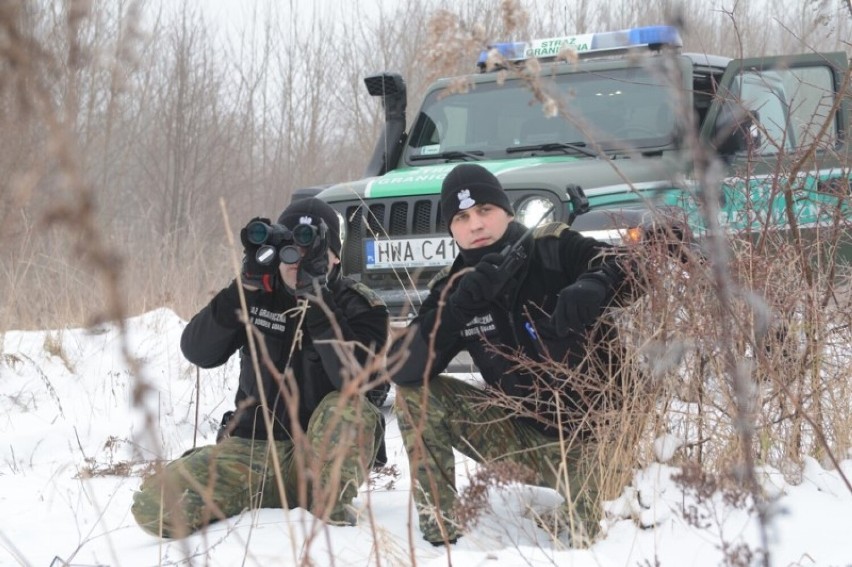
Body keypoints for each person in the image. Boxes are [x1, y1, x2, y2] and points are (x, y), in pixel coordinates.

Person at [390, 163, 637, 546]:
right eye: (461, 217)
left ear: (506, 211)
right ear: (451, 229)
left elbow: (634, 267)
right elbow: (403, 370)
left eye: (485, 210)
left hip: (602, 441)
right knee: (415, 398)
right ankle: (442, 532)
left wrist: (597, 282)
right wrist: (457, 311)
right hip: (523, 441)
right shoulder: (453, 287)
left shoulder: (553, 248)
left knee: (593, 536)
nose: (475, 225)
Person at [132, 198, 390, 538]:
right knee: (154, 505)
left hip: (315, 455)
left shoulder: (361, 307)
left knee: (350, 409)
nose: (298, 261)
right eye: (291, 250)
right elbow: (197, 351)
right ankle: (266, 495)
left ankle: (325, 507)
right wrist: (245, 287)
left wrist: (318, 302)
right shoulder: (257, 296)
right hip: (251, 451)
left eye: (312, 250)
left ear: (335, 256)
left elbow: (357, 382)